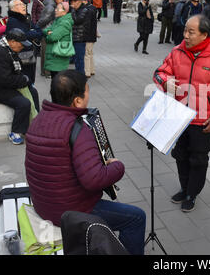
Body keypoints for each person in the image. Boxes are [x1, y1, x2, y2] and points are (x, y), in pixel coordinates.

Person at [24, 69, 146, 255]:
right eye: (87, 91)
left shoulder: (38, 120)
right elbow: (93, 180)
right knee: (136, 217)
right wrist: (117, 166)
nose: (89, 95)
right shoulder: (78, 129)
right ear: (78, 101)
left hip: (44, 204)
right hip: (70, 212)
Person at [153, 15, 210, 212]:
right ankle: (184, 188)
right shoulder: (176, 51)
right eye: (185, 31)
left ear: (204, 35)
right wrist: (165, 82)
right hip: (179, 116)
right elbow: (159, 72)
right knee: (180, 155)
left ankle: (192, 193)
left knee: (198, 159)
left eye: (191, 32)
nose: (185, 36)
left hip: (203, 121)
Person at [0, 28, 40, 145]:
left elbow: (15, 72)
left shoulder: (8, 48)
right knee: (23, 103)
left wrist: (25, 81)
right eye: (21, 45)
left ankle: (35, 124)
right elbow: (5, 79)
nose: (22, 47)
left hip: (4, 83)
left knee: (33, 92)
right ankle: (16, 132)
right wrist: (24, 80)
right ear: (12, 41)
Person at [6, 0, 43, 84]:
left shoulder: (26, 17)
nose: (23, 6)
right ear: (12, 9)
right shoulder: (13, 20)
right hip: (22, 53)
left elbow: (38, 30)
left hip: (30, 52)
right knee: (26, 78)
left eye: (23, 4)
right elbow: (24, 35)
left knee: (30, 76)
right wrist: (32, 32)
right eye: (19, 5)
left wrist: (32, 32)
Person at [43, 2, 74, 79]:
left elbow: (53, 37)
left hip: (58, 56)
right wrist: (48, 32)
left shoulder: (64, 23)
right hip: (54, 56)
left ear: (65, 11)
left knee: (58, 81)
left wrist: (48, 35)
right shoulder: (58, 20)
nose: (55, 10)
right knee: (55, 79)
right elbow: (46, 30)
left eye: (57, 9)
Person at [36, 0, 57, 78]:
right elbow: (45, 19)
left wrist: (37, 26)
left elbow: (44, 19)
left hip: (46, 30)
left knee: (45, 52)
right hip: (47, 30)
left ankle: (44, 71)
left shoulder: (49, 6)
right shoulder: (50, 6)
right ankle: (46, 72)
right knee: (45, 52)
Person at [70, 0, 89, 74]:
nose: (72, 4)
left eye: (73, 2)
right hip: (75, 37)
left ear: (79, 1)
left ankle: (81, 78)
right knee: (77, 60)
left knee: (80, 60)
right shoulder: (77, 10)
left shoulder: (84, 10)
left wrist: (73, 11)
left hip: (80, 38)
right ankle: (78, 77)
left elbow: (77, 20)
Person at [82, 0, 98, 78]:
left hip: (88, 35)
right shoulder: (93, 9)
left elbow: (86, 25)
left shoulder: (87, 11)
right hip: (93, 35)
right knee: (90, 53)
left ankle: (87, 72)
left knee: (87, 54)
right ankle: (92, 70)